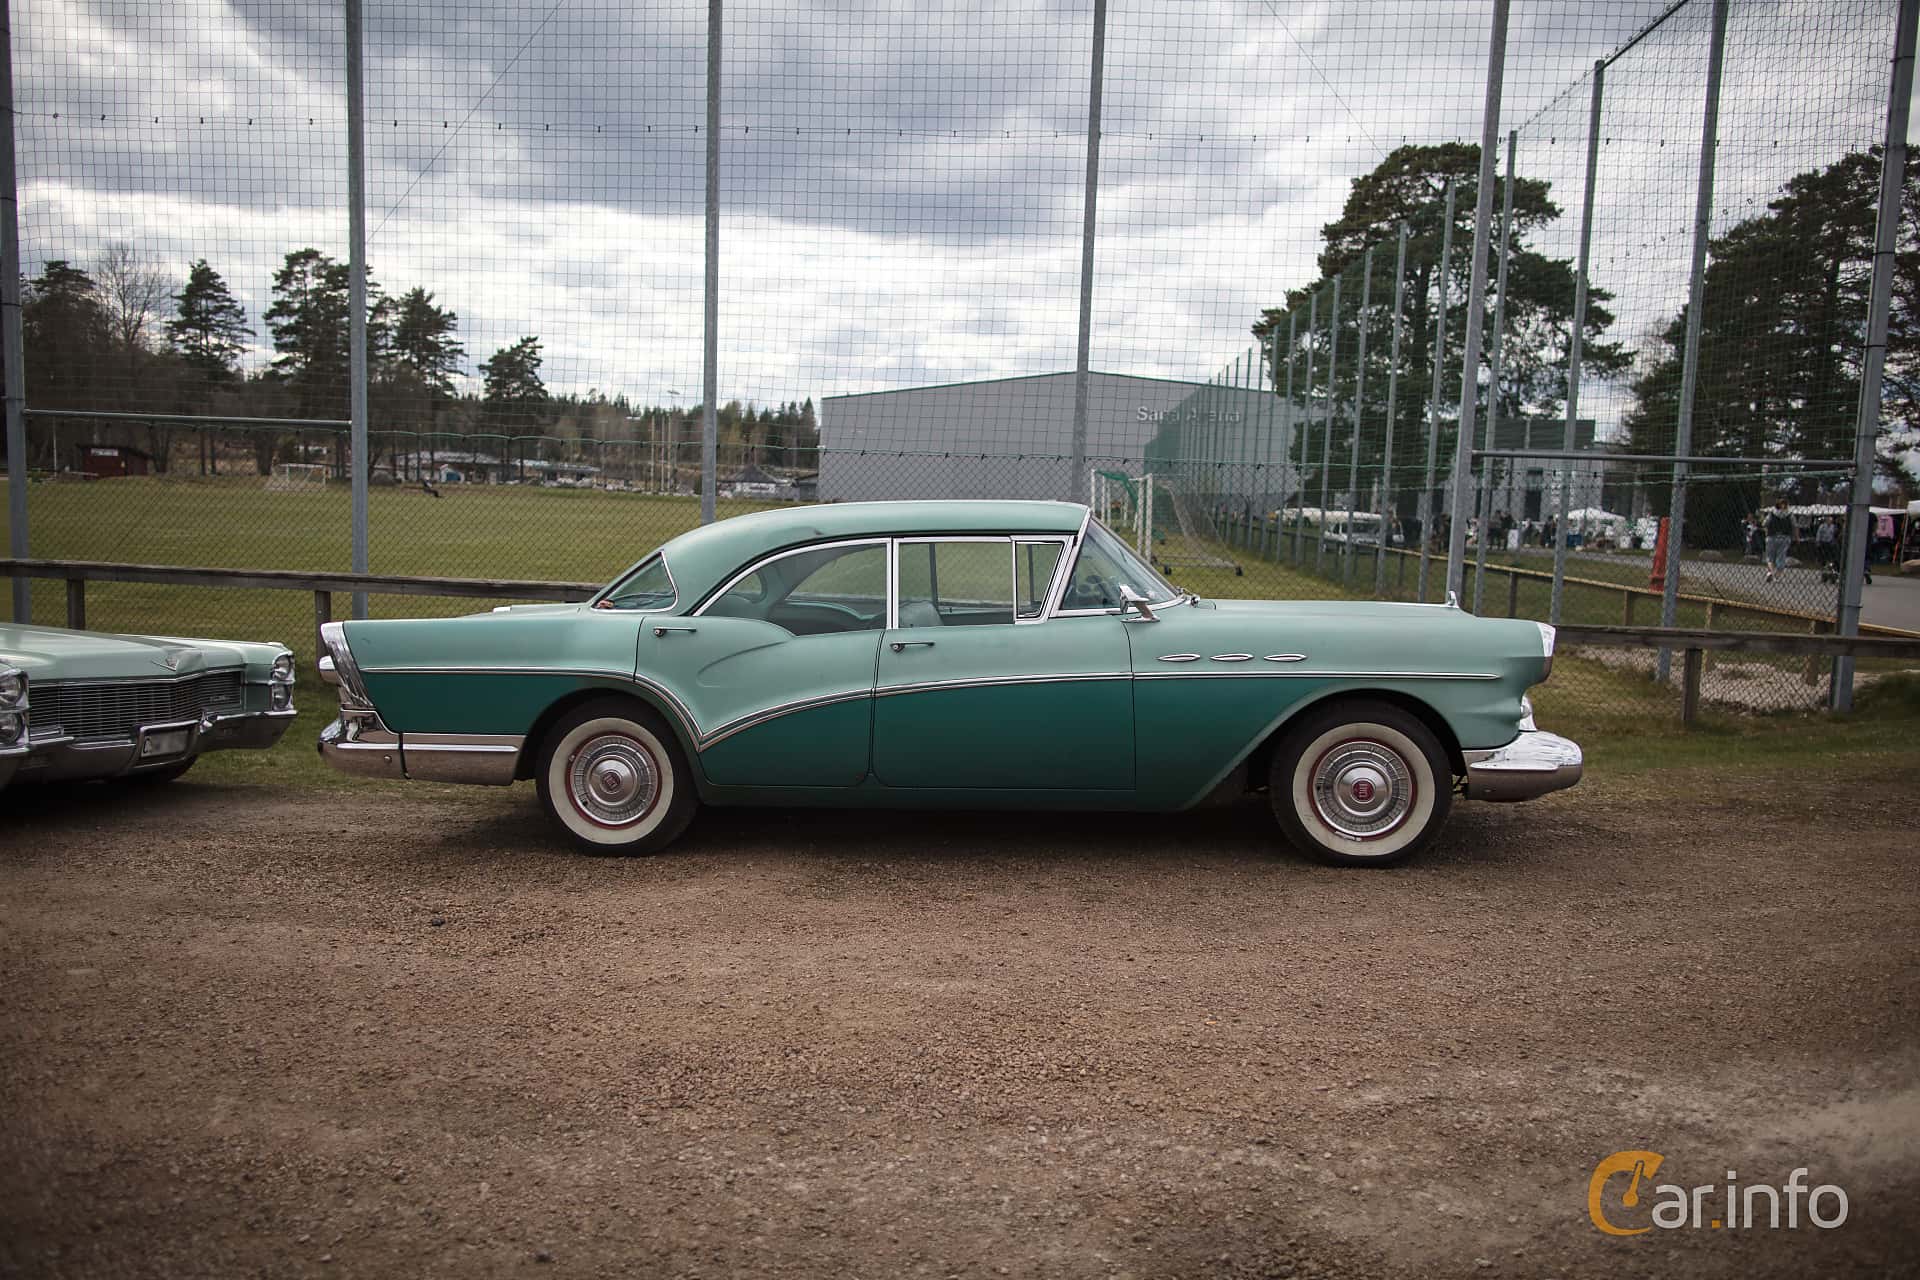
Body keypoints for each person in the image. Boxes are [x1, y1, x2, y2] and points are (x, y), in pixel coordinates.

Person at [1763, 498, 1794, 583]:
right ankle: (1777, 575)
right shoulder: (1790, 514)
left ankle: (1770, 572)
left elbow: (1764, 523)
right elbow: (1794, 525)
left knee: (1770, 557)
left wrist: (1767, 531)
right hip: (1784, 537)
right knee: (1781, 556)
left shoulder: (1772, 513)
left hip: (1772, 536)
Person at [1815, 516, 1838, 582]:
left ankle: (1830, 570)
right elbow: (1818, 534)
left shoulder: (1833, 527)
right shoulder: (1822, 526)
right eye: (1828, 520)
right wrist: (1818, 541)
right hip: (1823, 543)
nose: (1829, 522)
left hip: (1830, 544)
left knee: (1831, 558)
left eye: (1830, 520)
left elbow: (1834, 535)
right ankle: (1824, 572)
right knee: (1823, 558)